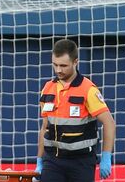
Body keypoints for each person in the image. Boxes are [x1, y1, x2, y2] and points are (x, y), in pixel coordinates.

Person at [35, 39, 116, 181]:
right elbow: (44, 128)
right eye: (55, 65)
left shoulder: (88, 90)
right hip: (52, 161)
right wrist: (39, 161)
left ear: (75, 62)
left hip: (81, 162)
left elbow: (109, 123)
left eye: (63, 65)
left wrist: (106, 156)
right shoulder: (47, 89)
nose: (58, 70)